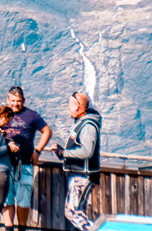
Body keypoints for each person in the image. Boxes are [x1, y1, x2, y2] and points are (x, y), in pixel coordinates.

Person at [1, 86, 52, 231]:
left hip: (25, 164)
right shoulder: (3, 113)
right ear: (8, 100)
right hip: (4, 163)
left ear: (23, 100)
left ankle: (21, 228)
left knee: (23, 201)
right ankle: (8, 228)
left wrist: (37, 150)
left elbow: (47, 131)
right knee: (6, 198)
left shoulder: (32, 115)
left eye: (18, 101)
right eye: (12, 101)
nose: (15, 104)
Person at [51, 91, 101, 231]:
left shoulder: (88, 125)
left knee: (73, 212)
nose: (68, 108)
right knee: (75, 211)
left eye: (70, 105)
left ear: (77, 107)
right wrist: (62, 154)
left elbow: (87, 151)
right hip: (77, 174)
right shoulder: (81, 123)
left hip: (83, 176)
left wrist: (64, 152)